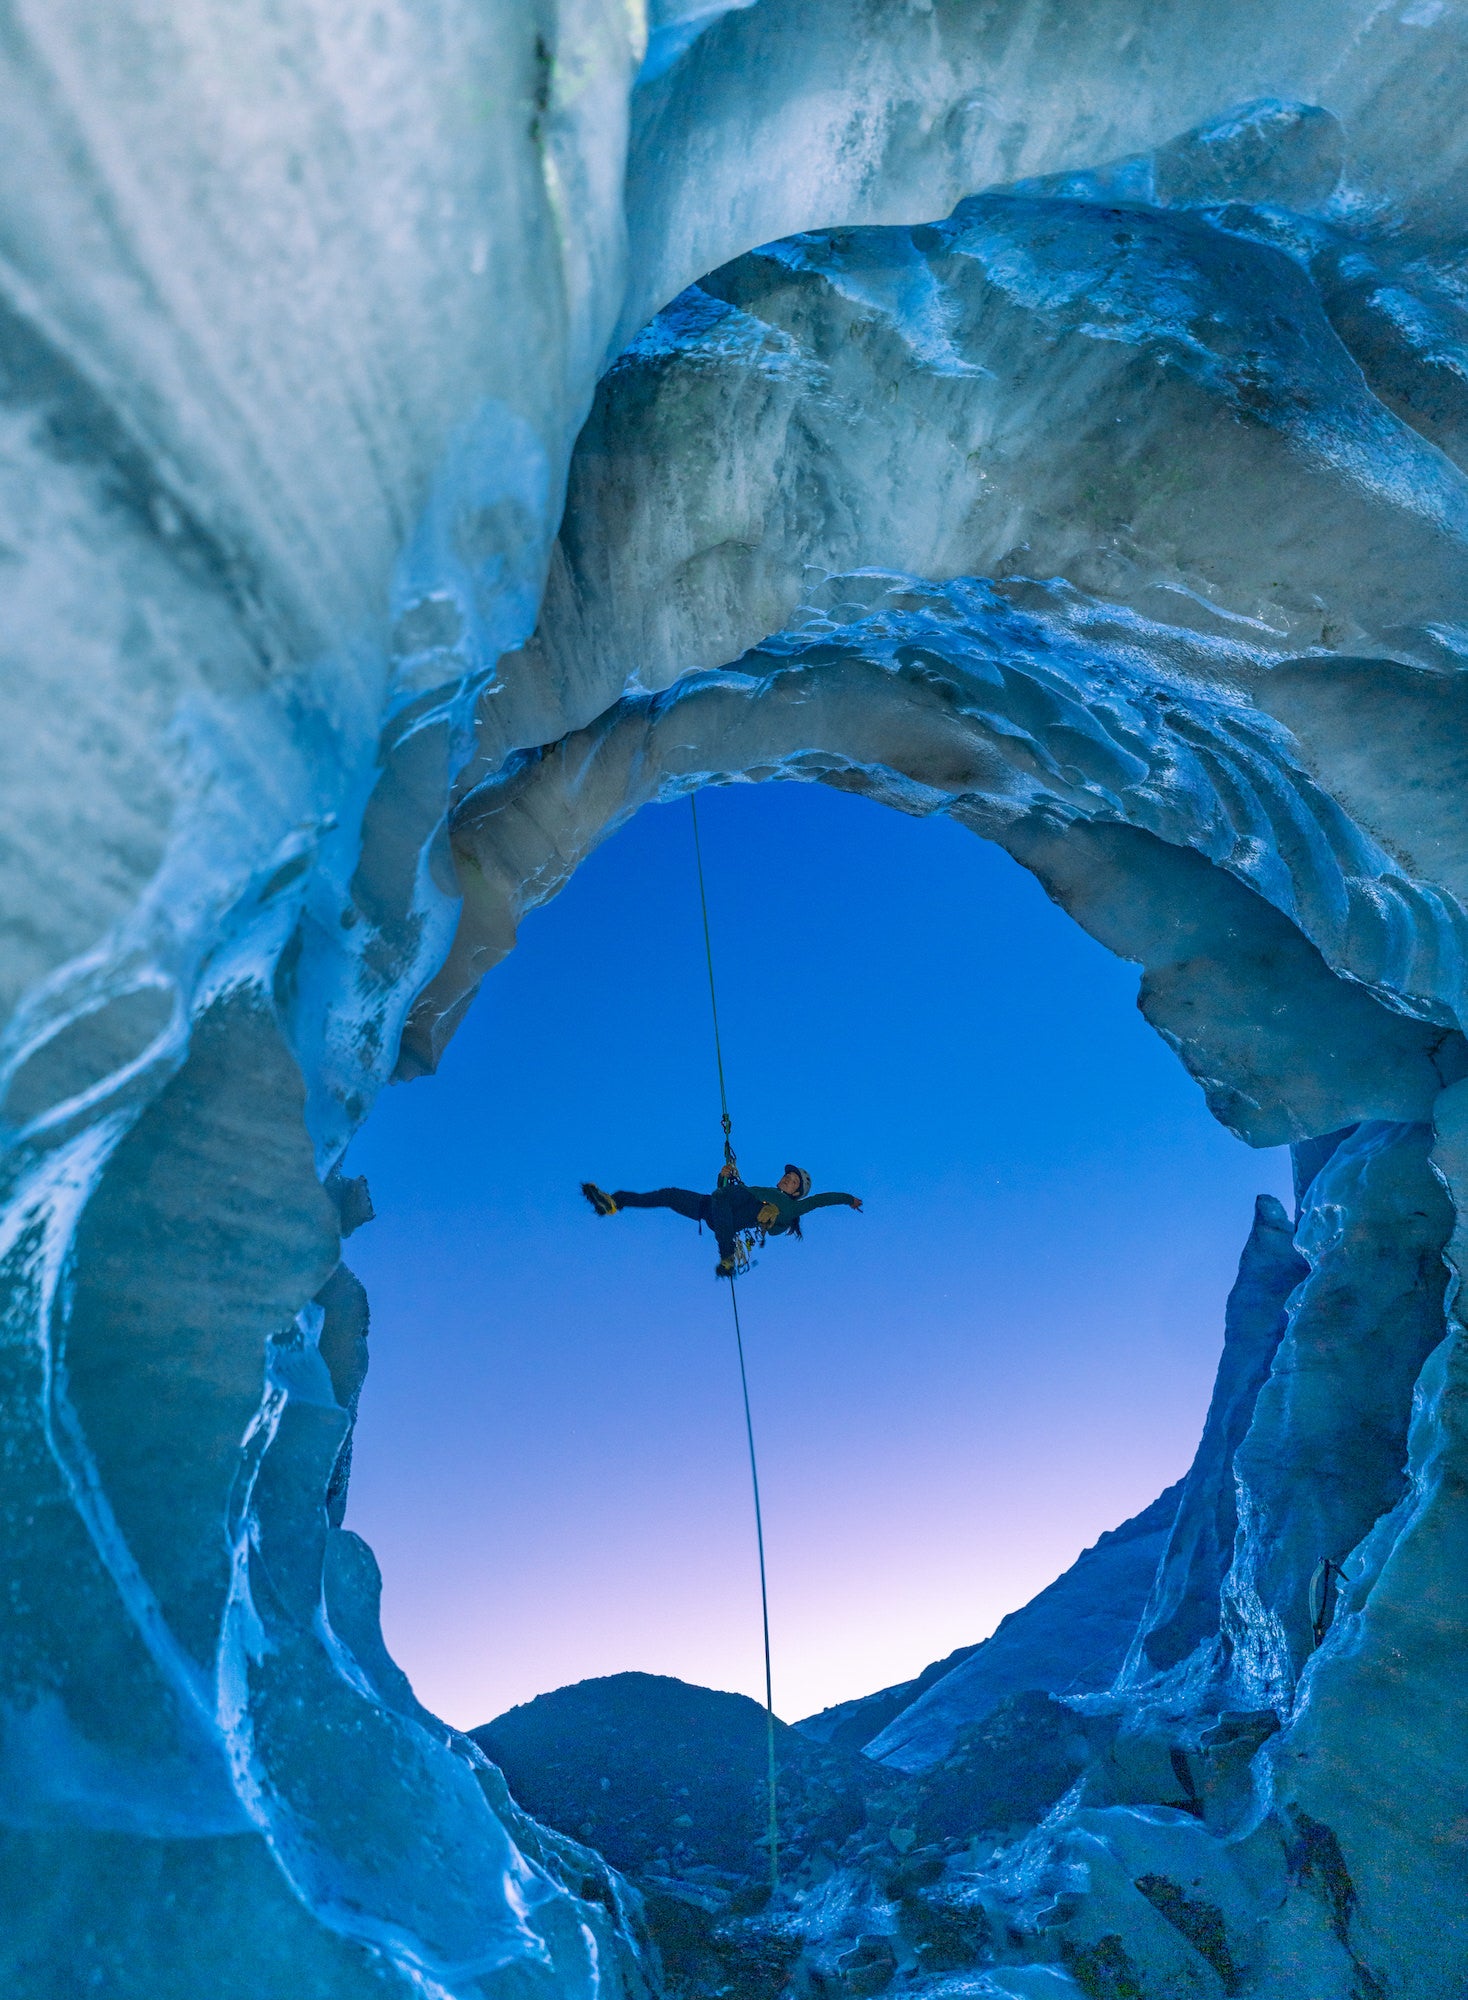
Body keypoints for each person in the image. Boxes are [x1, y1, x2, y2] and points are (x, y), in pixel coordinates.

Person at [582, 1163, 862, 1278]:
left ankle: (727, 1255)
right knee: (669, 1195)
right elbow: (721, 1194)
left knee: (731, 1199)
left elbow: (821, 1200)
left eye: (792, 1182)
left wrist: (849, 1199)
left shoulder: (789, 1208)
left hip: (733, 1213)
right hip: (713, 1208)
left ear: (797, 1193)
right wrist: (724, 1174)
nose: (787, 1180)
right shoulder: (761, 1191)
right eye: (786, 1177)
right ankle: (614, 1202)